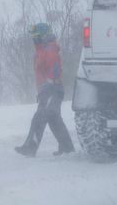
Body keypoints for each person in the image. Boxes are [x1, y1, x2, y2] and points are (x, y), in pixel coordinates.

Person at [15, 23, 75, 157]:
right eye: (33, 37)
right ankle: (67, 148)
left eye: (36, 37)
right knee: (54, 120)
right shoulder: (42, 50)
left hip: (52, 89)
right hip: (46, 90)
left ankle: (30, 148)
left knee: (40, 117)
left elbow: (54, 71)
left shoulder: (50, 50)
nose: (34, 39)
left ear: (43, 36)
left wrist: (49, 85)